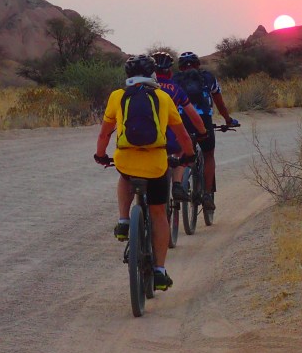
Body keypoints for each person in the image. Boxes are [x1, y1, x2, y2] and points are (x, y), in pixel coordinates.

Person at [94, 54, 195, 291]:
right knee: (159, 213)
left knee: (124, 175)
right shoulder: (163, 97)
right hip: (156, 164)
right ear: (151, 75)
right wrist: (187, 156)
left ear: (128, 76)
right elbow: (182, 135)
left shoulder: (117, 97)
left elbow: (105, 134)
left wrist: (101, 155)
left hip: (126, 160)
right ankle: (159, 271)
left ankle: (123, 221)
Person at [172, 51, 239, 211]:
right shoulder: (208, 78)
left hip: (182, 119)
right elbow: (220, 104)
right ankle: (207, 194)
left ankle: (177, 184)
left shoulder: (175, 80)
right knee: (208, 155)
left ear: (180, 67)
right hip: (204, 120)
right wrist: (228, 120)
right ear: (198, 65)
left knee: (181, 152)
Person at [150, 51, 207, 202]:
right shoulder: (175, 89)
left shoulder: (143, 88)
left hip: (146, 137)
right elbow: (193, 115)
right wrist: (202, 131)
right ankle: (176, 184)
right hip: (169, 138)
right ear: (169, 71)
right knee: (182, 148)